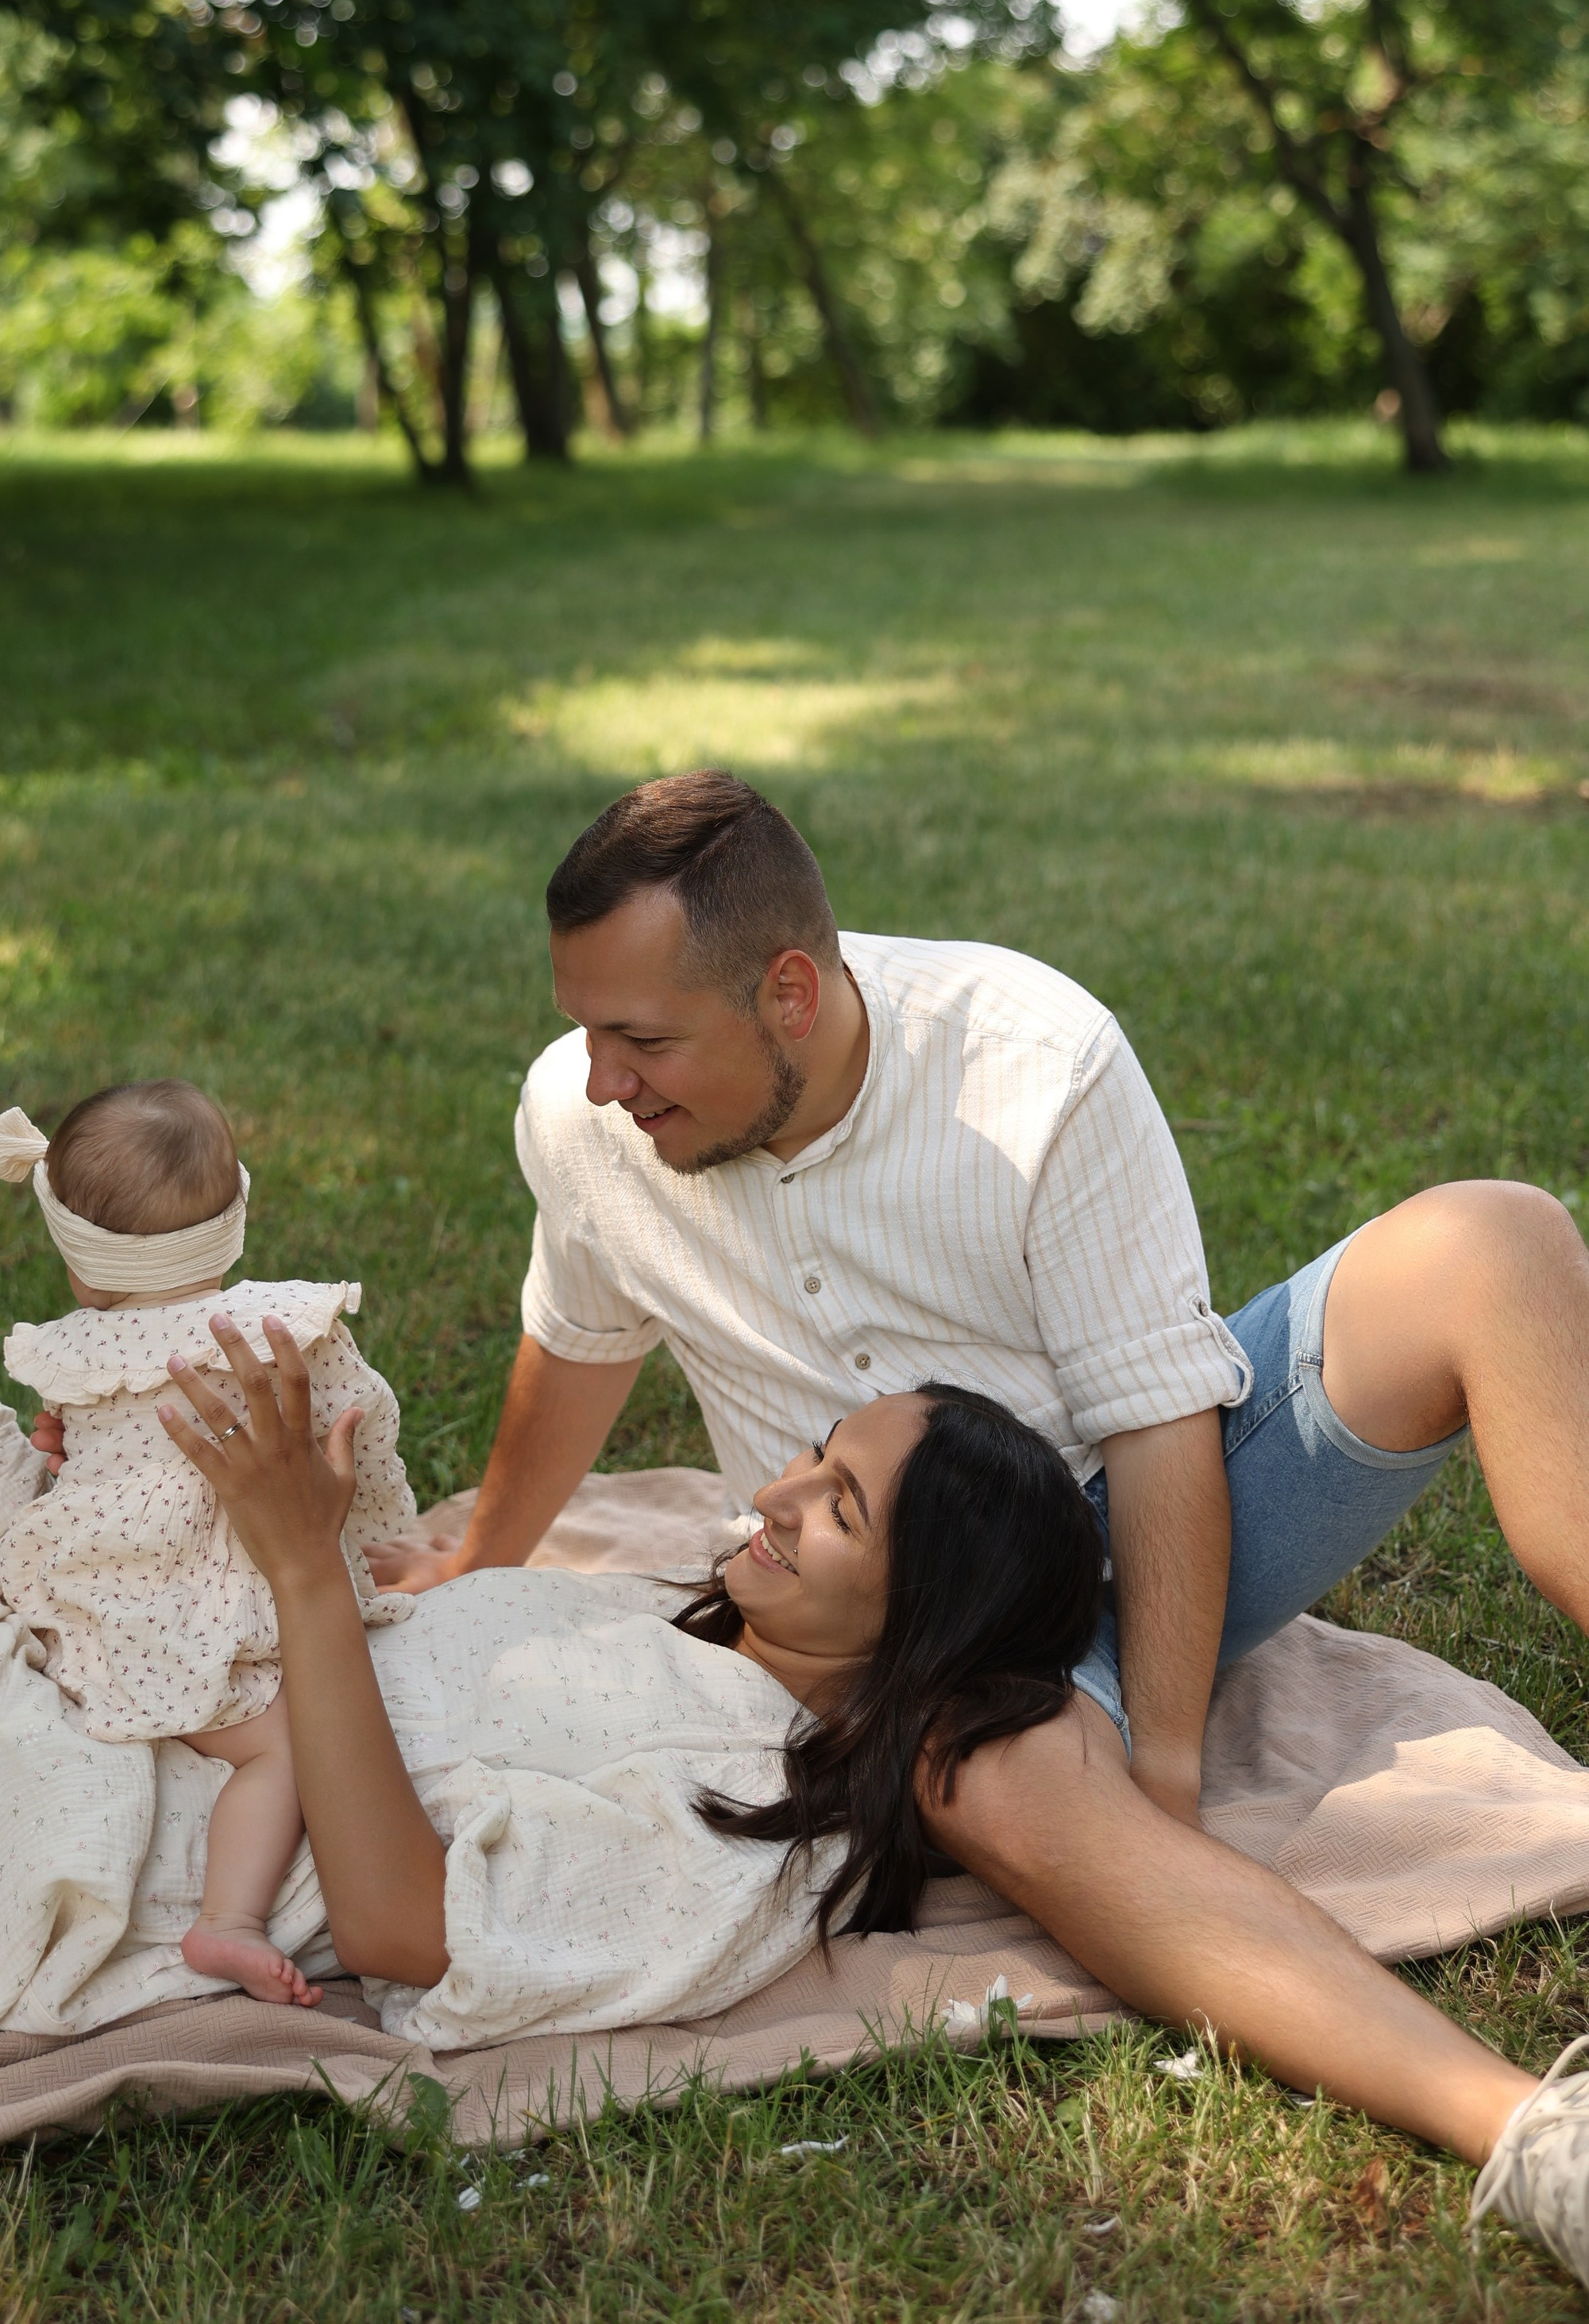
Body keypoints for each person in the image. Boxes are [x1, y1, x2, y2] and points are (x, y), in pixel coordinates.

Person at [0, 1199, 1587, 2279]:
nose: (775, 1494)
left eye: (837, 1508)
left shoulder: (733, 1834)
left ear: (920, 1637)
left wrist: (290, 1577)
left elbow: (404, 1926)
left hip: (63, 1801)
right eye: (813, 1455)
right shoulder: (665, 1623)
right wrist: (252, 1512)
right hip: (110, 1643)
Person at [364, 771, 1589, 1860]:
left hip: (1145, 1504)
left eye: (640, 1039)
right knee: (983, 1781)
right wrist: (481, 1561)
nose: (601, 1081)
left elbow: (1161, 1419)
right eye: (585, 1029)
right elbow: (580, 1341)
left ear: (789, 992)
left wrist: (1165, 1767)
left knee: (1497, 1240)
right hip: (919, 1616)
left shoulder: (1031, 1060)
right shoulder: (585, 1123)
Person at [0, 1076, 414, 2003]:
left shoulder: (78, 1354)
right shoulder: (286, 1330)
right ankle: (227, 1921)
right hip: (221, 1601)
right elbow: (357, 1430)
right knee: (285, 1749)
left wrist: (68, 1459)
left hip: (110, 1597)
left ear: (81, 1261)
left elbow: (91, 1460)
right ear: (236, 1219)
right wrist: (375, 1533)